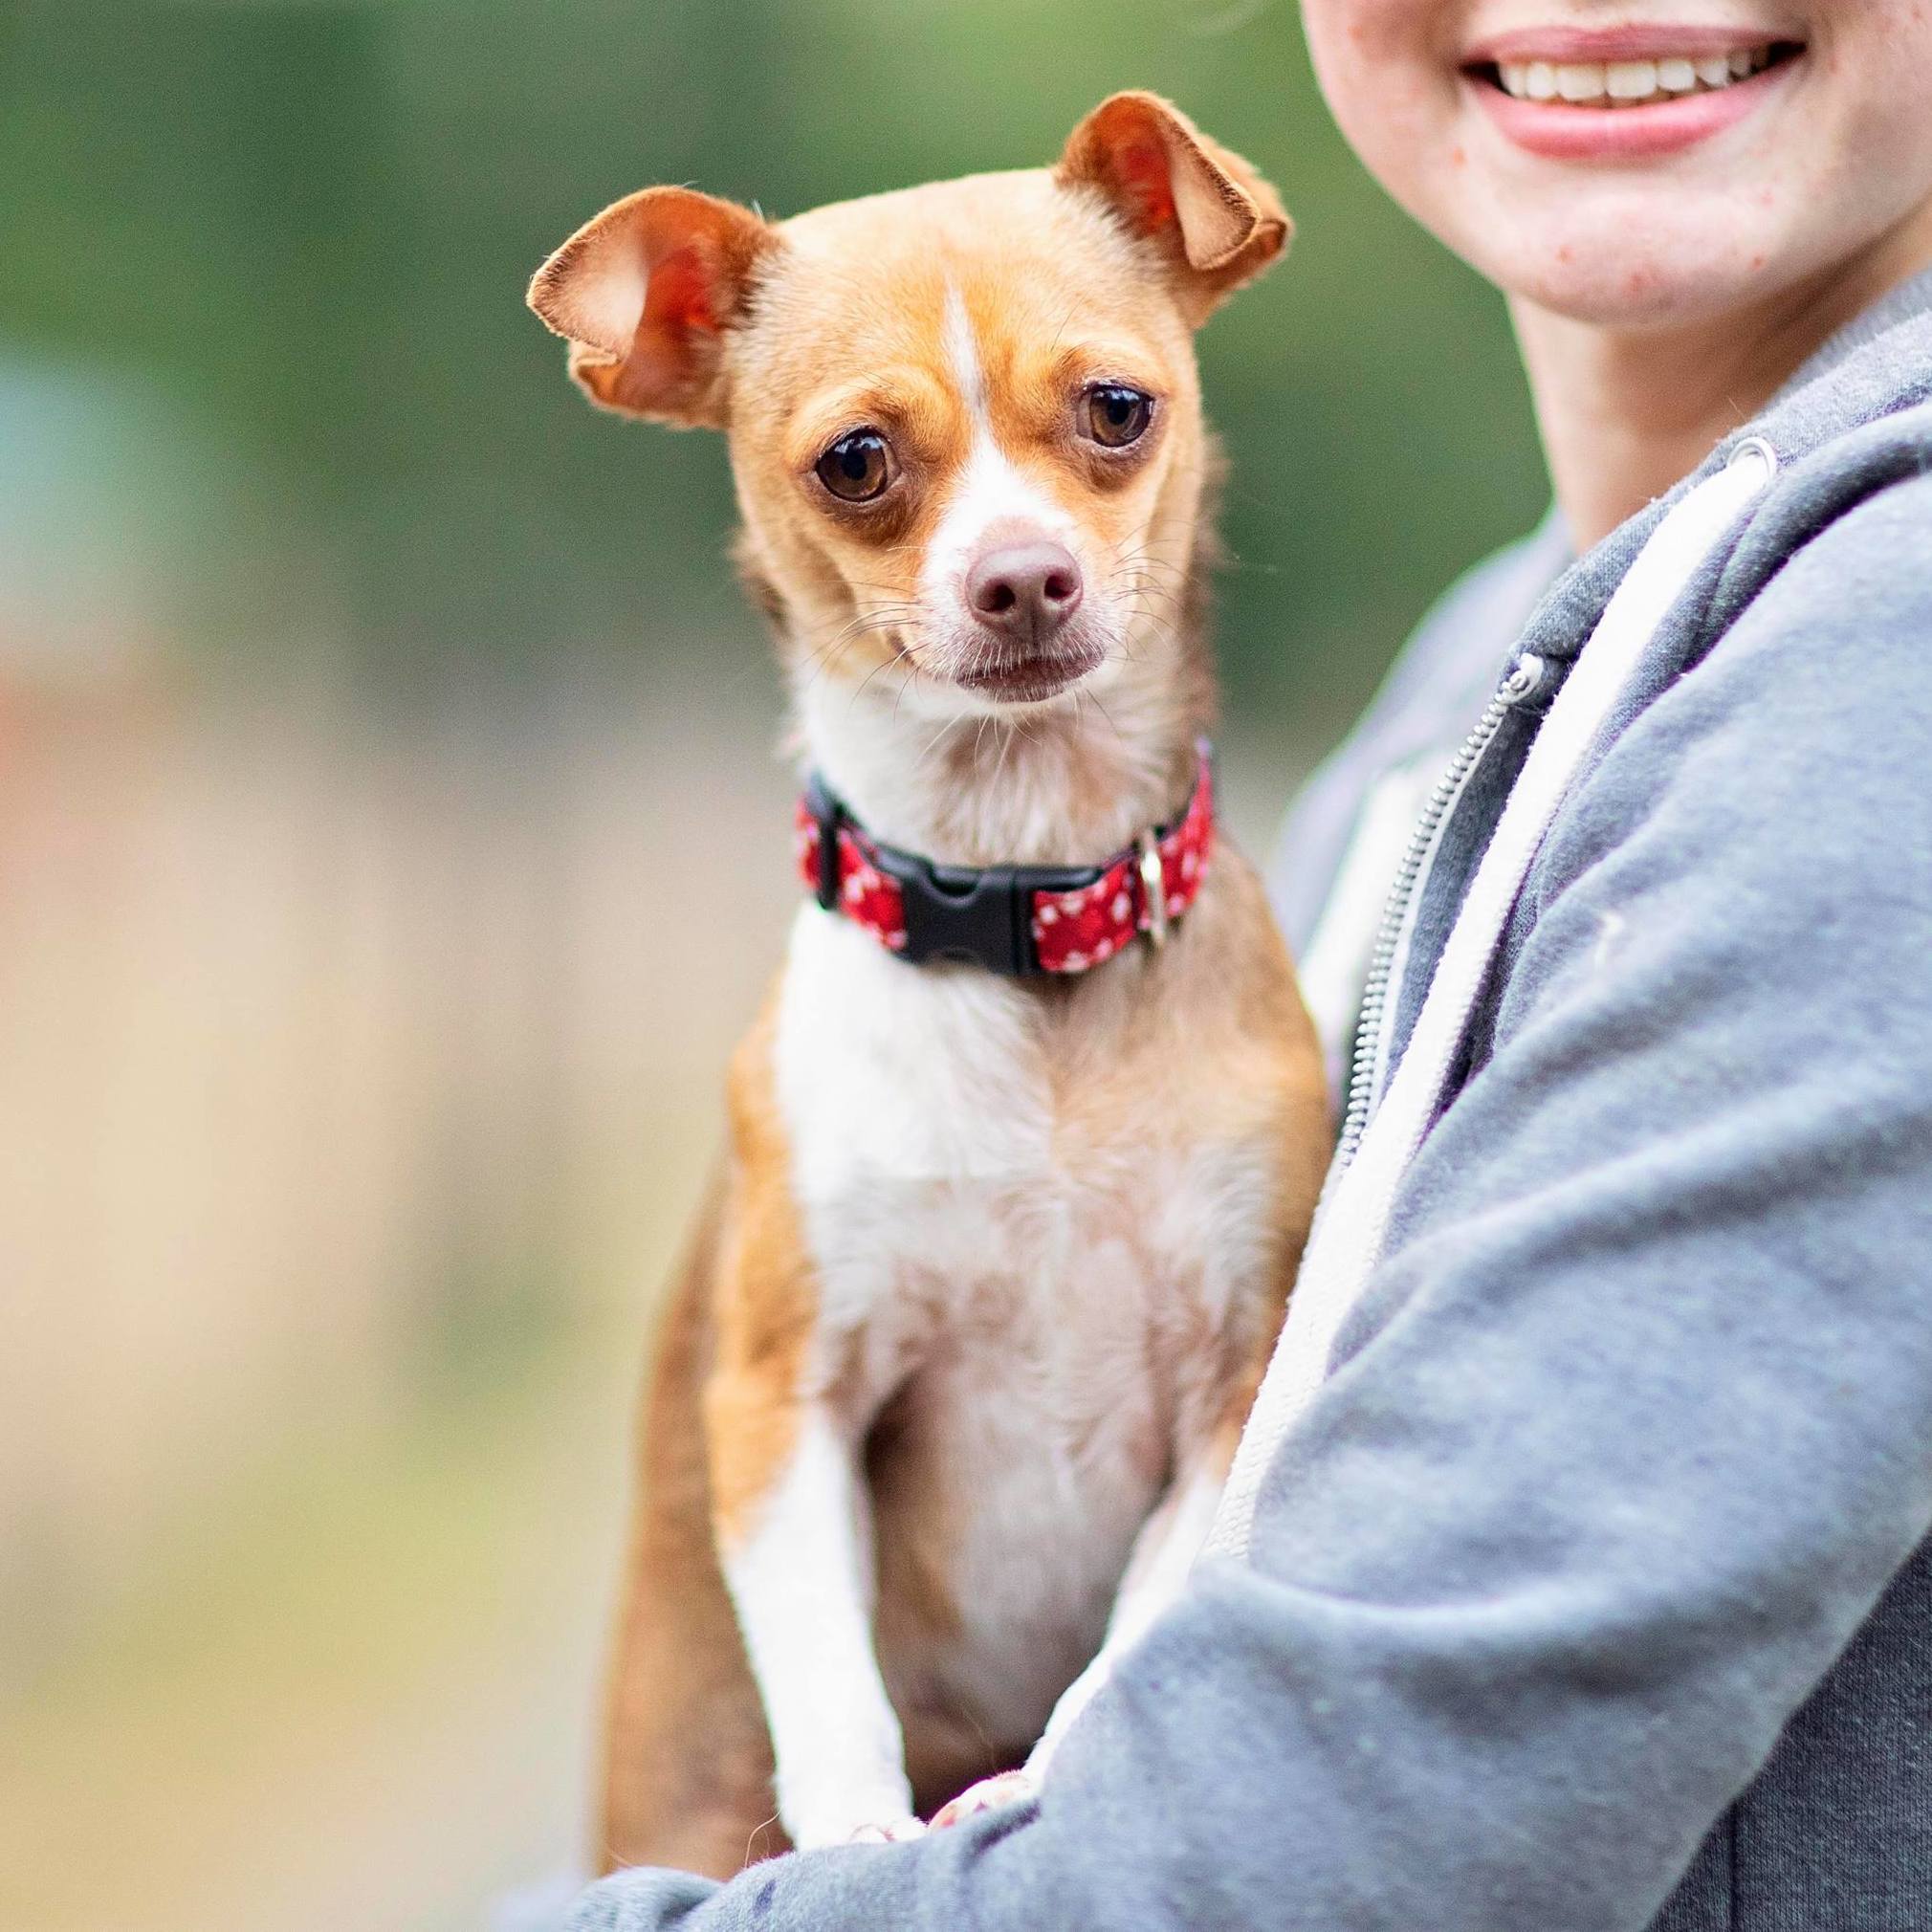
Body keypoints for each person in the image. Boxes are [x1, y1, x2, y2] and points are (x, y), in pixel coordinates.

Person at [562, 4, 1932, 1925]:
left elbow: (1324, 1846)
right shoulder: (1465, 688)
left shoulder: (1881, 692)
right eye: (869, 463)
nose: (1021, 553)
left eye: (1102, 419)